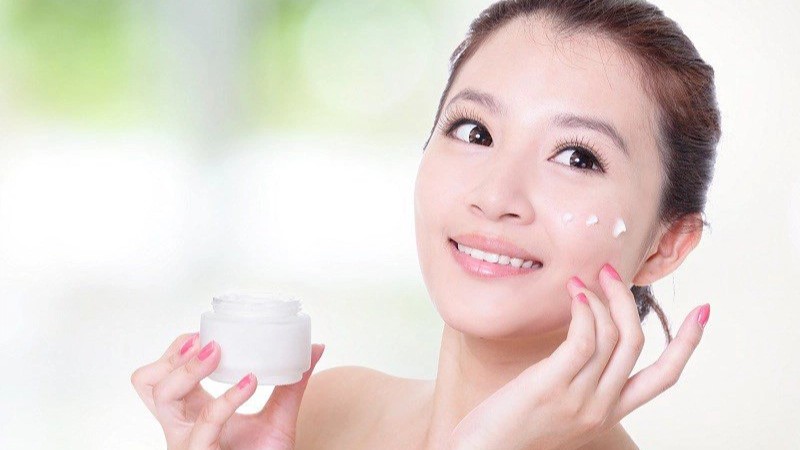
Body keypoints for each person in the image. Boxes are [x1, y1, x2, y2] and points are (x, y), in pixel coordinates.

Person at [131, 0, 721, 448]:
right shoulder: (330, 411)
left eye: (577, 157)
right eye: (475, 131)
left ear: (666, 246)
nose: (496, 196)